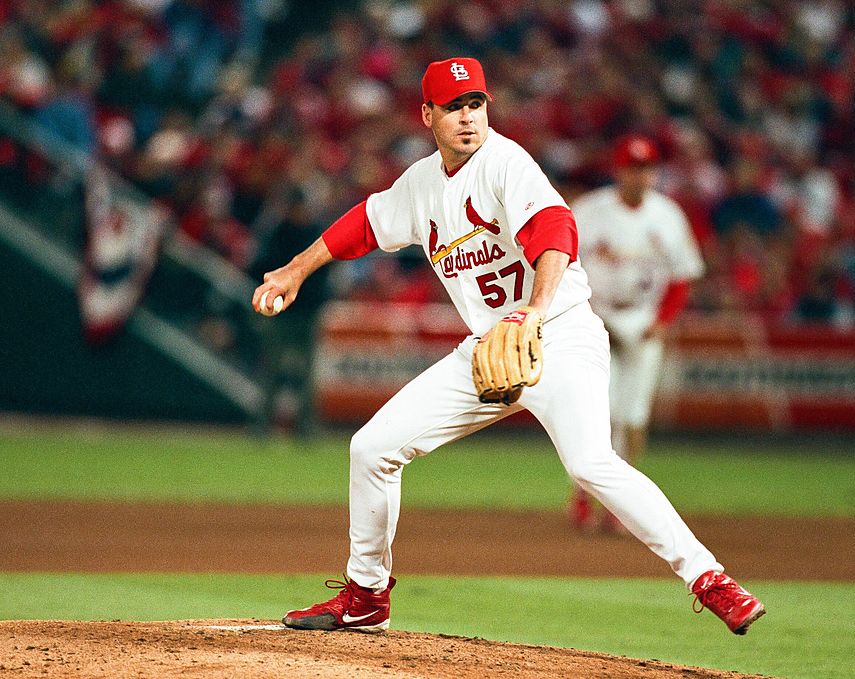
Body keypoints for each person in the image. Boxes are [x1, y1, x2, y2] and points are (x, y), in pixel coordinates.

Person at [252, 57, 764, 636]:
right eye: (454, 108)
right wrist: (294, 270)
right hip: (488, 346)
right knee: (372, 449)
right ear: (427, 115)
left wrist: (535, 311)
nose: (469, 118)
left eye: (477, 104)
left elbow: (555, 231)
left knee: (591, 462)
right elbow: (366, 223)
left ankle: (711, 579)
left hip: (561, 334)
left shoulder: (505, 162)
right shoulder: (421, 184)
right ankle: (367, 595)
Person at [569, 134, 706, 533]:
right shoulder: (590, 211)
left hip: (644, 319)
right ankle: (582, 495)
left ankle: (618, 505)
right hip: (597, 317)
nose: (640, 175)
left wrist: (662, 322)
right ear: (618, 169)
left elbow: (683, 277)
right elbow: (560, 265)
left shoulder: (667, 215)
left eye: (646, 168)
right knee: (598, 414)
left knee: (633, 416)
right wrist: (581, 317)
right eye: (633, 167)